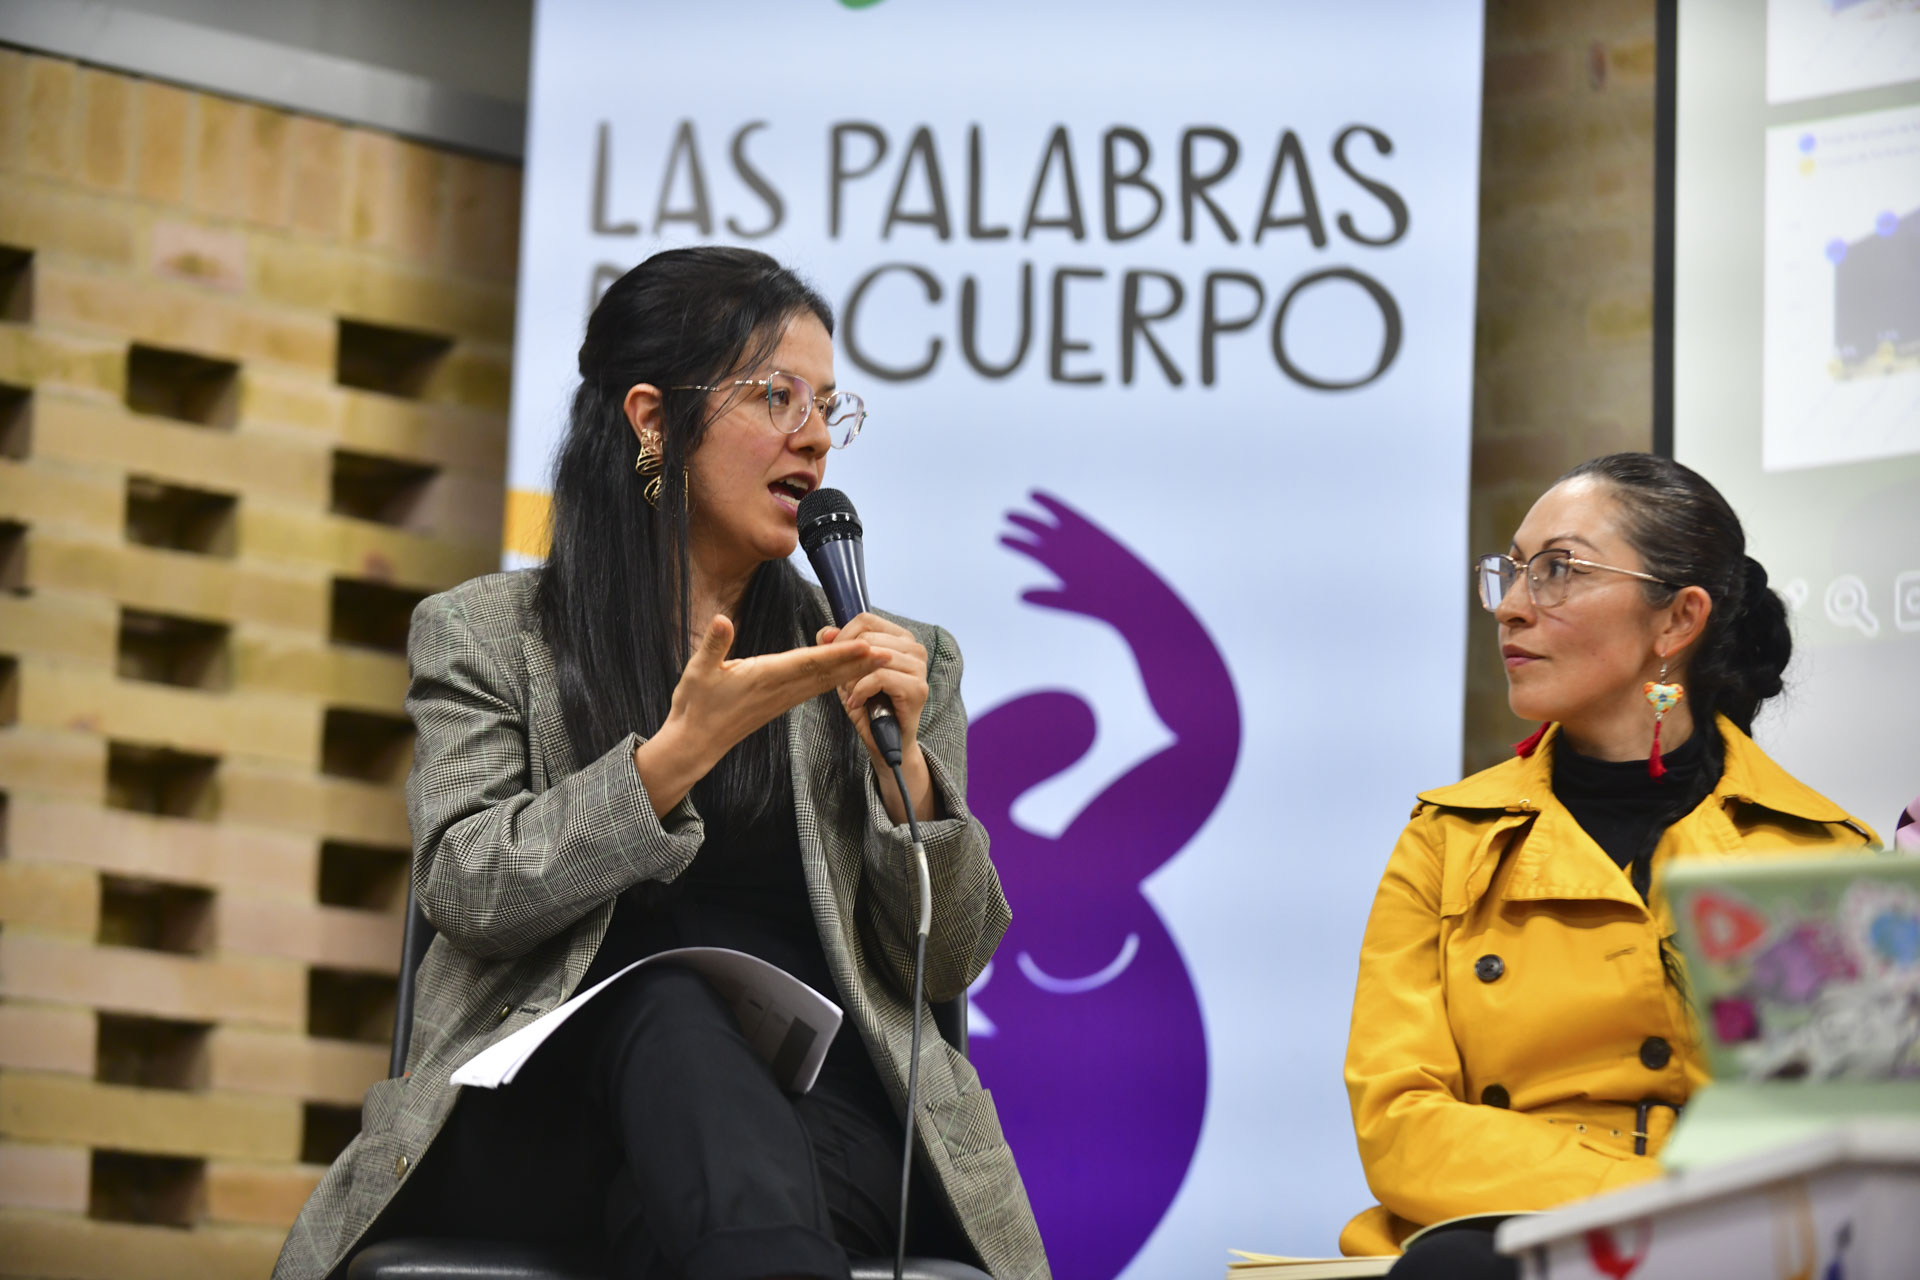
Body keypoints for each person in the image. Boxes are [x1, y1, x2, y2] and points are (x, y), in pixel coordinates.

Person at [274, 247, 1048, 1280]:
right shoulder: (488, 636)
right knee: (672, 1014)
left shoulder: (891, 665)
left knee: (711, 1181)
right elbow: (468, 887)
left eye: (828, 407)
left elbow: (944, 962)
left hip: (814, 1120)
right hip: (540, 1113)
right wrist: (671, 762)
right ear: (652, 419)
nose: (815, 436)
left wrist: (900, 776)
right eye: (777, 396)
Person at [1340, 454, 1878, 1279]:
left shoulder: (1818, 851)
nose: (1512, 607)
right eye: (1512, 571)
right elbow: (1400, 1125)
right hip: (1497, 1237)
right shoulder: (1447, 839)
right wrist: (1650, 1199)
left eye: (1559, 570)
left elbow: (1836, 1150)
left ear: (1677, 620)